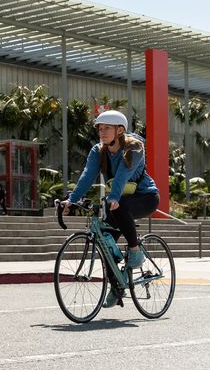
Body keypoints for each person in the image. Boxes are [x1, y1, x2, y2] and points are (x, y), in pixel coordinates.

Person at [64, 109, 159, 307]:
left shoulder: (134, 147)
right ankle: (116, 287)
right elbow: (87, 175)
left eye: (107, 128)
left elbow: (124, 173)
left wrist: (114, 196)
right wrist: (72, 200)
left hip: (145, 197)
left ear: (120, 130)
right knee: (106, 242)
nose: (102, 132)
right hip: (117, 201)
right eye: (100, 128)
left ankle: (135, 252)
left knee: (120, 205)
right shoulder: (98, 151)